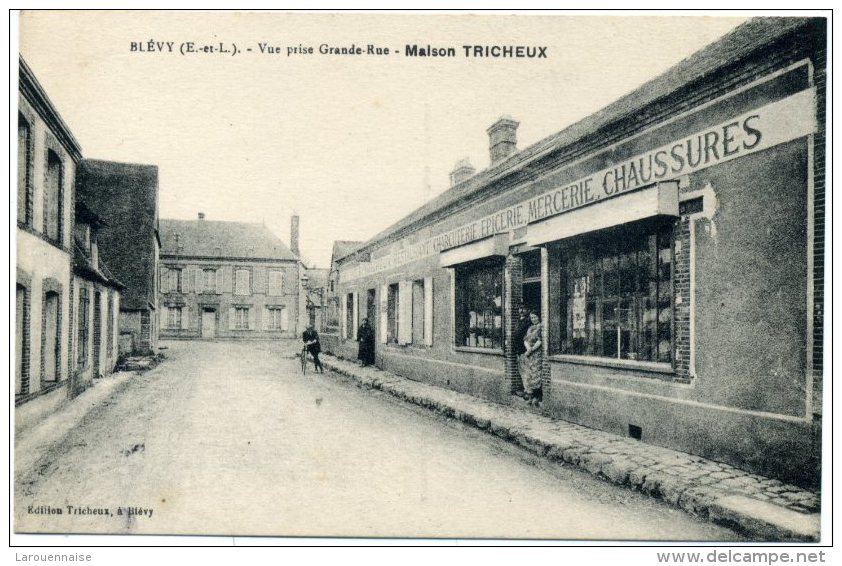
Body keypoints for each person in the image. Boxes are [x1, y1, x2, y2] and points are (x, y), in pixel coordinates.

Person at [522, 310, 543, 407]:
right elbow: (526, 339)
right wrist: (528, 348)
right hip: (530, 354)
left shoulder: (541, 327)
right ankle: (530, 396)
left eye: (535, 317)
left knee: (537, 374)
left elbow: (540, 341)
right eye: (532, 318)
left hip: (537, 354)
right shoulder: (530, 328)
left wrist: (531, 350)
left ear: (539, 317)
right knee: (529, 374)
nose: (533, 319)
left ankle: (537, 396)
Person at [513, 305, 531, 398]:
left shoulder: (528, 321)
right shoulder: (518, 321)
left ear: (528, 310)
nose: (521, 311)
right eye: (520, 308)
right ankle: (524, 389)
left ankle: (528, 391)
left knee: (526, 371)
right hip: (519, 350)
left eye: (524, 309)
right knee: (522, 371)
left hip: (525, 349)